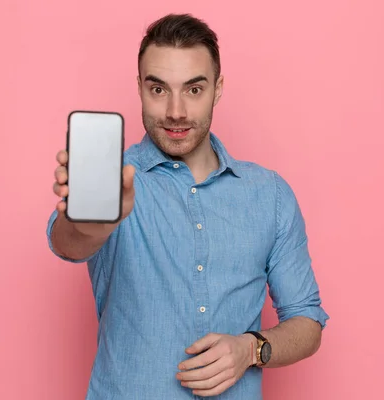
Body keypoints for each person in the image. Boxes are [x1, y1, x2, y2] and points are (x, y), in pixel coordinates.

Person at [47, 13, 329, 399]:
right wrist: (97, 220)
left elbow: (307, 321)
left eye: (193, 90)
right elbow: (70, 243)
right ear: (140, 88)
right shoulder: (114, 182)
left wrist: (250, 349)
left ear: (218, 88)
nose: (176, 111)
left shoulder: (271, 195)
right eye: (159, 90)